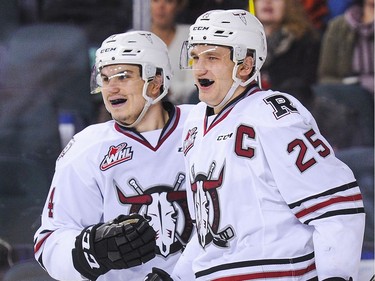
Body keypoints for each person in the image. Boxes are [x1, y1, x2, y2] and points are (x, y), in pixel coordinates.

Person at [147, 9, 366, 280]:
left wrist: (336, 275)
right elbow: (210, 233)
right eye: (195, 56)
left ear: (245, 64)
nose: (200, 68)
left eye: (212, 57)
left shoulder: (274, 114)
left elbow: (335, 204)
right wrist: (177, 276)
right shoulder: (195, 123)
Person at [34, 30, 194, 281]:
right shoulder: (87, 148)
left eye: (123, 76)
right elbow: (49, 241)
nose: (111, 88)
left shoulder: (206, 127)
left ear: (156, 81)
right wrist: (91, 251)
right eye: (105, 78)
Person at [313, 0, 374, 149]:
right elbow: (326, 75)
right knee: (322, 92)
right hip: (352, 96)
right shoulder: (339, 26)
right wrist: (356, 84)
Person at [254, 0, 321, 110]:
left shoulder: (306, 41)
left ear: (289, 5)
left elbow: (306, 87)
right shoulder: (240, 43)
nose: (267, 2)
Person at [150, 0, 196, 104]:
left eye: (168, 2)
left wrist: (169, 90)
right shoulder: (133, 38)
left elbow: (196, 83)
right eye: (155, 0)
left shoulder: (190, 36)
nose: (161, 7)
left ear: (178, 6)